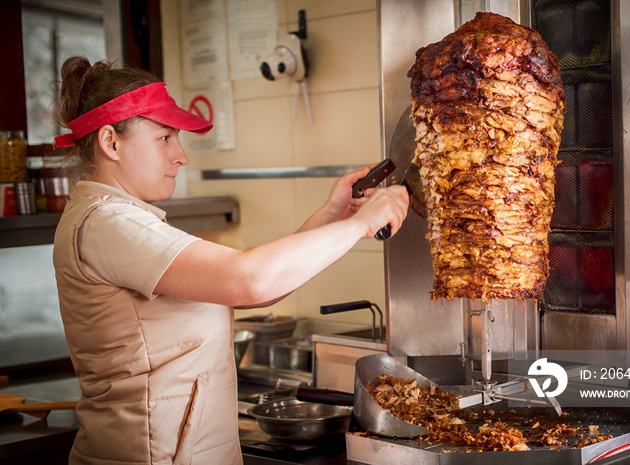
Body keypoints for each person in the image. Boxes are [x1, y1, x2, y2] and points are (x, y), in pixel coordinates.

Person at [52, 56, 409, 465]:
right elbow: (248, 281)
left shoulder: (115, 218)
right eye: (165, 138)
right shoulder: (107, 224)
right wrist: (362, 223)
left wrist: (333, 215)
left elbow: (253, 290)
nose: (181, 156)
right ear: (111, 142)